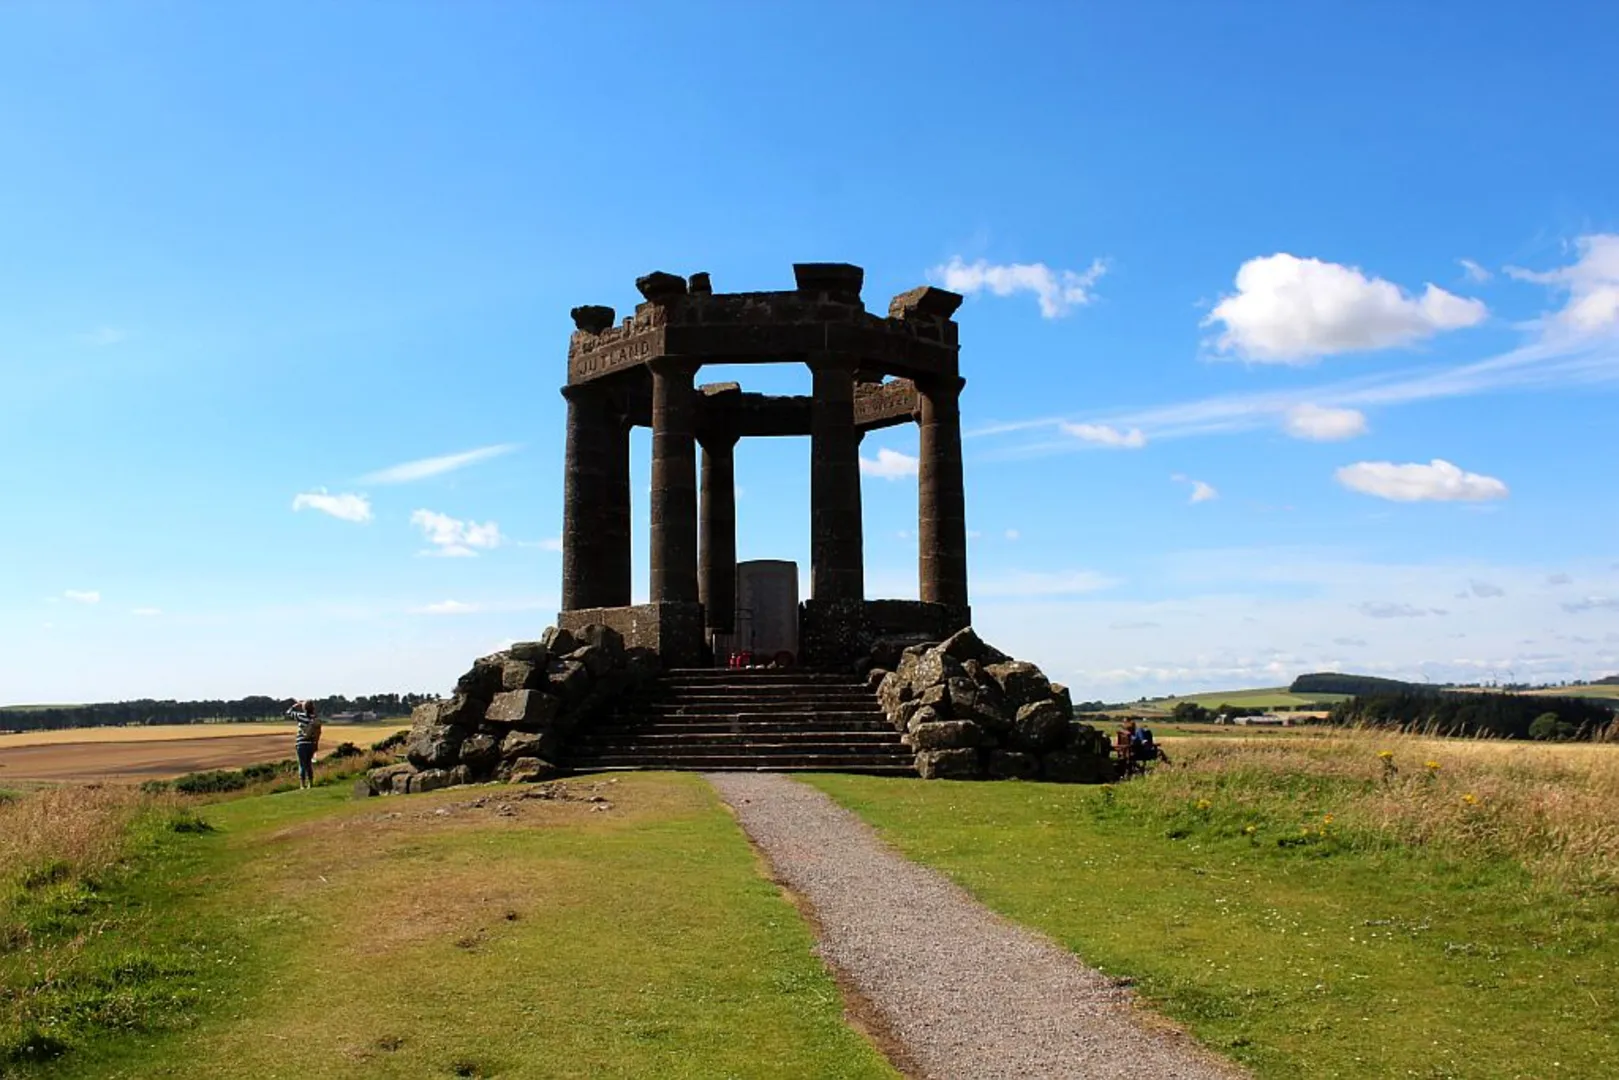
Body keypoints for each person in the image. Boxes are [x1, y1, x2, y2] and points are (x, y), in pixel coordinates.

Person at [286, 700, 322, 789]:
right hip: (311, 744)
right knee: (309, 764)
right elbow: (318, 731)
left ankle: (302, 785)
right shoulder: (315, 718)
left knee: (302, 764)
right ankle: (311, 783)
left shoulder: (300, 716)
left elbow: (288, 713)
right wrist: (316, 744)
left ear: (303, 708)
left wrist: (295, 705)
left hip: (301, 744)